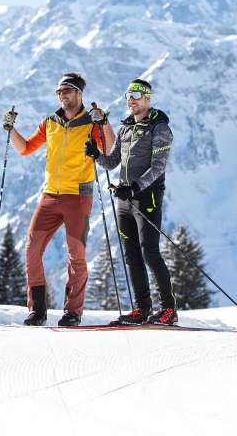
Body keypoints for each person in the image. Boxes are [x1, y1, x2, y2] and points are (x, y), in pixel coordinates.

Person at [2, 73, 115, 326]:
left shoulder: (91, 123)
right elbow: (25, 148)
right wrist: (11, 130)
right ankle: (37, 311)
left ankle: (73, 312)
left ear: (79, 94)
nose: (62, 95)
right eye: (59, 92)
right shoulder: (50, 123)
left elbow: (109, 149)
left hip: (78, 196)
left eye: (67, 90)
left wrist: (105, 123)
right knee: (32, 249)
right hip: (50, 195)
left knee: (76, 255)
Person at [85, 78, 177, 325]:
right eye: (128, 95)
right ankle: (142, 308)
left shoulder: (159, 127)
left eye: (137, 95)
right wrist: (96, 155)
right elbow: (112, 162)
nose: (131, 100)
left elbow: (158, 167)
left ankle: (169, 309)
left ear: (147, 98)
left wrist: (135, 188)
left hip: (147, 197)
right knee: (131, 255)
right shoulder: (126, 128)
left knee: (150, 252)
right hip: (124, 200)